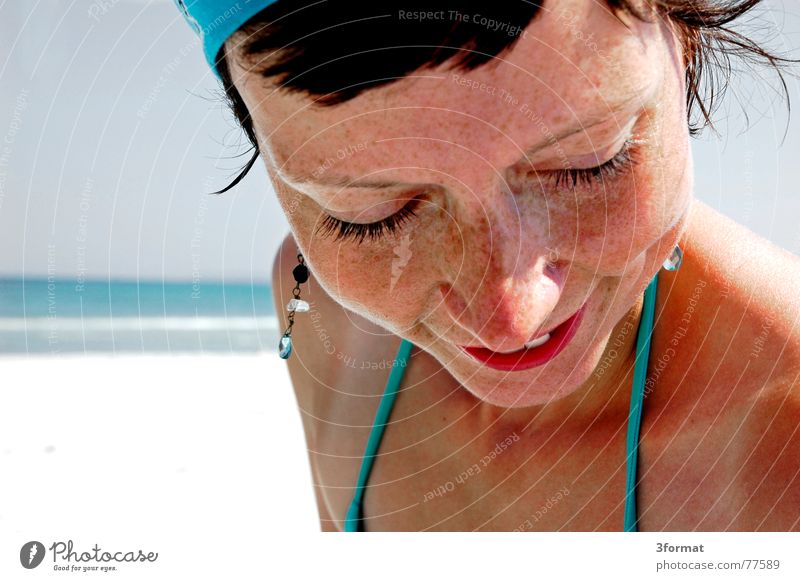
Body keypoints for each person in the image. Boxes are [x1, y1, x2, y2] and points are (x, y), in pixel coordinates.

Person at [174, 0, 800, 531]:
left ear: (683, 41)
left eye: (588, 164)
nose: (510, 317)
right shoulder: (318, 313)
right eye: (369, 216)